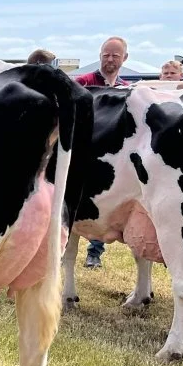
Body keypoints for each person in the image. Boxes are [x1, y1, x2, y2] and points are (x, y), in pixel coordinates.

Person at [74, 36, 132, 269]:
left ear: (124, 58)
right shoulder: (83, 82)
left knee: (103, 205)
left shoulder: (128, 89)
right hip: (83, 150)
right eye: (106, 55)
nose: (110, 59)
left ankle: (94, 253)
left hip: (112, 157)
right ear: (99, 56)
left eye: (115, 55)